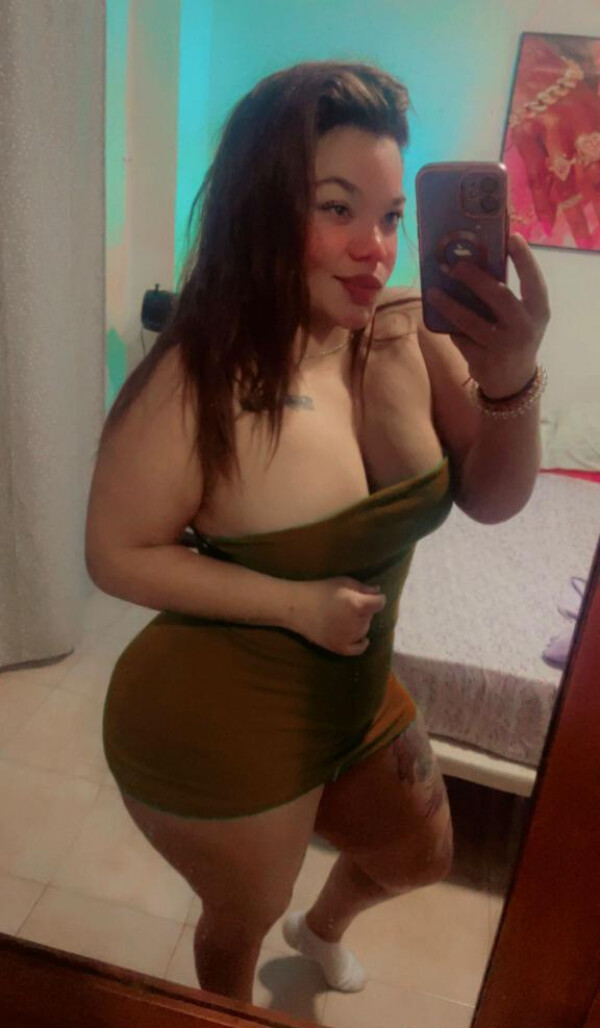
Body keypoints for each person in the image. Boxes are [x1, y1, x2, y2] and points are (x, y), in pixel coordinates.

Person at [85, 60, 550, 1004]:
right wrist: (292, 603)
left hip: (356, 690)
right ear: (262, 207)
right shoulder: (199, 378)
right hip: (227, 714)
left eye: (391, 216)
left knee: (423, 852)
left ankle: (322, 928)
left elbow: (495, 499)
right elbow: (114, 553)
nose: (375, 249)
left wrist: (512, 379)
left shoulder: (409, 332)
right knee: (241, 919)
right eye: (338, 208)